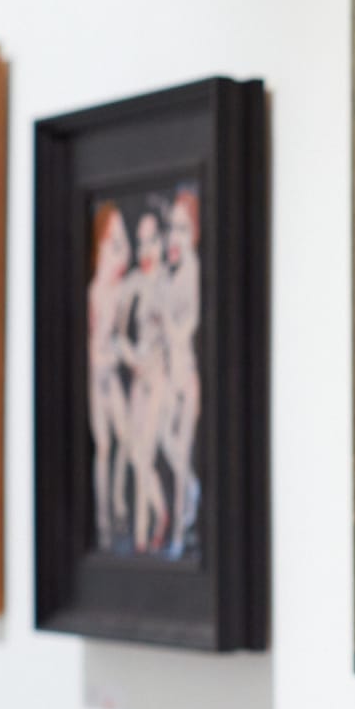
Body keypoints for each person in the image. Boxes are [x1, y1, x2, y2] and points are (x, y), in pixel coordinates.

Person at [118, 207, 171, 554]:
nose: (145, 250)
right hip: (140, 375)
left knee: (147, 451)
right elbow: (119, 333)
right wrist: (130, 356)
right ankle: (159, 512)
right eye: (141, 243)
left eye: (151, 241)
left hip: (160, 378)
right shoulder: (134, 283)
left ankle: (144, 534)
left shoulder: (166, 282)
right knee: (137, 454)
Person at [87, 203, 132, 550]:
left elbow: (119, 337)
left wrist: (129, 356)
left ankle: (118, 504)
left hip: (111, 372)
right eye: (112, 242)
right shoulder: (93, 293)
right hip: (96, 374)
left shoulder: (118, 293)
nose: (119, 250)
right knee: (102, 446)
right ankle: (102, 519)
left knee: (126, 438)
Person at [160, 188, 201, 549]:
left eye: (183, 228)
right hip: (169, 374)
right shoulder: (172, 274)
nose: (175, 236)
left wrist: (168, 324)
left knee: (182, 448)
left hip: (185, 377)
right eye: (173, 228)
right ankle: (190, 485)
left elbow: (188, 325)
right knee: (164, 439)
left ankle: (177, 535)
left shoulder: (192, 271)